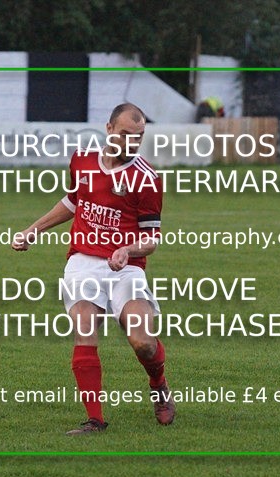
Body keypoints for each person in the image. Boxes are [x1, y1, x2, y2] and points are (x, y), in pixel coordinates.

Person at [11, 102, 175, 435]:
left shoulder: (147, 179)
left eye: (139, 137)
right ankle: (95, 420)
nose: (132, 142)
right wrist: (33, 230)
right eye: (126, 134)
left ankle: (158, 385)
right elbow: (74, 201)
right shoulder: (82, 160)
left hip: (126, 269)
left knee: (142, 342)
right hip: (83, 261)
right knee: (85, 328)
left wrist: (127, 250)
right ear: (109, 129)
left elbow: (152, 239)